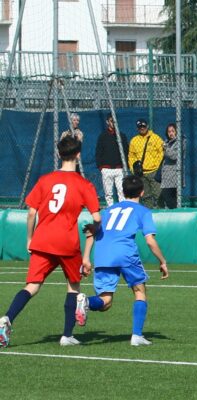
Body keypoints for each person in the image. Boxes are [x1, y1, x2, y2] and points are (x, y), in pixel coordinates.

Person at [0, 136, 101, 348]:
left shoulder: (45, 180)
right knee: (73, 286)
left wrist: (30, 238)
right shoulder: (84, 184)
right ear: (79, 155)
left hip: (42, 239)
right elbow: (97, 218)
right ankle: (67, 335)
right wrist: (94, 233)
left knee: (32, 286)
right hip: (67, 242)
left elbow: (31, 212)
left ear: (58, 154)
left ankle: (7, 318)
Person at [77, 175, 169, 346]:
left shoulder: (108, 210)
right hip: (125, 254)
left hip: (103, 254)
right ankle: (137, 336)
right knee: (140, 292)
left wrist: (86, 258)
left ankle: (86, 301)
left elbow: (91, 232)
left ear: (123, 191)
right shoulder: (143, 211)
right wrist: (162, 261)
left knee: (105, 302)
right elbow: (150, 240)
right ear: (142, 192)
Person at [128, 119, 163, 209]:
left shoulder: (155, 138)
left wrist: (157, 165)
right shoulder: (134, 141)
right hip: (141, 173)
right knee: (145, 195)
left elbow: (161, 153)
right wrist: (133, 168)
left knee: (158, 194)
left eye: (143, 126)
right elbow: (131, 156)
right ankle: (149, 211)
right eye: (140, 127)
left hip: (154, 171)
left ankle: (160, 211)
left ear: (147, 126)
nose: (142, 128)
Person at [96, 114, 129, 206]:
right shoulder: (103, 136)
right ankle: (110, 209)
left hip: (119, 168)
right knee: (108, 193)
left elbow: (126, 151)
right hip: (106, 169)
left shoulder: (121, 135)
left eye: (114, 121)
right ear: (107, 122)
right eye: (111, 120)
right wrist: (101, 167)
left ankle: (122, 208)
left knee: (121, 191)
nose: (113, 123)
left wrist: (125, 166)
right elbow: (98, 151)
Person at [158, 123, 181, 209]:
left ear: (176, 132)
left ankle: (175, 213)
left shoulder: (178, 142)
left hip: (173, 175)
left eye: (173, 131)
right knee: (166, 198)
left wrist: (166, 148)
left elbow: (174, 156)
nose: (171, 133)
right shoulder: (167, 142)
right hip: (166, 175)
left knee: (170, 198)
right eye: (169, 132)